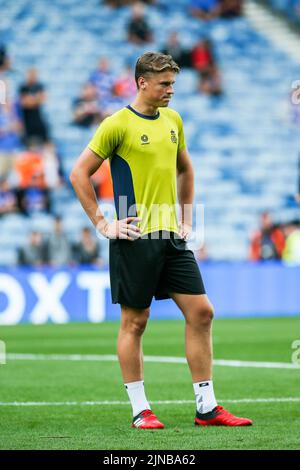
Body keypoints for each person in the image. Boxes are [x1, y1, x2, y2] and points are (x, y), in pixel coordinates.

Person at [70, 52, 252, 429]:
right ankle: (141, 410)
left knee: (202, 312)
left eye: (173, 83)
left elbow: (186, 168)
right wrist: (104, 224)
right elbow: (78, 174)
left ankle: (206, 407)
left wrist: (186, 219)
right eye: (164, 83)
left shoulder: (173, 120)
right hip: (135, 237)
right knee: (135, 322)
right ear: (142, 83)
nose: (171, 90)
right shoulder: (116, 124)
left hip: (172, 237)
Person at [18, 68, 50, 144]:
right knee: (30, 144)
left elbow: (43, 99)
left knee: (46, 142)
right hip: (27, 121)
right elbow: (24, 103)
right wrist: (36, 99)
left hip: (38, 119)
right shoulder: (23, 87)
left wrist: (31, 99)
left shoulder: (39, 86)